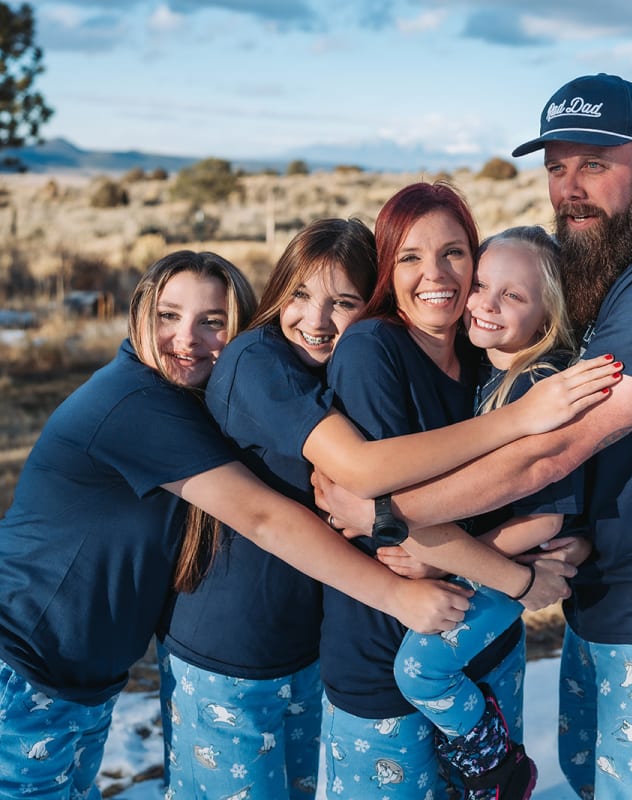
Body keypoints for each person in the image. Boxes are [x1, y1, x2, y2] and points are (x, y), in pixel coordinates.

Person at [316, 74, 632, 799]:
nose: (570, 187)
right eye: (557, 167)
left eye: (593, 164)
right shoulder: (610, 270)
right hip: (609, 598)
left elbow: (551, 450)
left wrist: (384, 513)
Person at [153, 222, 612, 798]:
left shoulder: (466, 361)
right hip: (237, 644)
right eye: (300, 294)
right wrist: (509, 575)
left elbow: (527, 489)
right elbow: (360, 478)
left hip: (307, 645)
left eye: (343, 301)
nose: (317, 320)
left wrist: (573, 538)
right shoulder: (261, 362)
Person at [0, 251, 474, 800]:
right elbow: (262, 517)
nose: (187, 339)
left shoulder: (191, 399)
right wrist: (396, 595)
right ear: (139, 315)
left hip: (77, 675)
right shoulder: (134, 403)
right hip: (24, 664)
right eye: (168, 315)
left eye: (212, 321)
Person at [392, 225, 588, 799]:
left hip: (511, 571)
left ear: (547, 315)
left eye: (514, 296)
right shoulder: (490, 374)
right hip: (492, 567)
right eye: (481, 285)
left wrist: (451, 566)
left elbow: (546, 519)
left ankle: (498, 765)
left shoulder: (540, 384)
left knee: (419, 671)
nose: (485, 303)